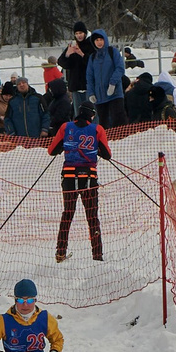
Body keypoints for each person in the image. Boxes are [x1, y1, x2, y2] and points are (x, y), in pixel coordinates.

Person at [45, 99, 110, 262]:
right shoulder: (97, 129)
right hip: (89, 177)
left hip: (69, 176)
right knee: (92, 217)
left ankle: (60, 252)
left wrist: (64, 147)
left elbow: (51, 151)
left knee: (67, 213)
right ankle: (97, 255)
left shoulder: (66, 127)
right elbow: (107, 154)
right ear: (91, 115)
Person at [84, 32, 127, 126]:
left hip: (114, 93)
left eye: (101, 39)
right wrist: (91, 92)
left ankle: (121, 138)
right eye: (96, 40)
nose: (99, 42)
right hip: (100, 96)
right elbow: (90, 76)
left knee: (118, 118)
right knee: (103, 122)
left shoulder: (113, 52)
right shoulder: (92, 57)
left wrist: (112, 83)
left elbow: (120, 68)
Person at [61, 26, 89, 96]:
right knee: (77, 106)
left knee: (90, 106)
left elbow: (92, 63)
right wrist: (67, 54)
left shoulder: (90, 46)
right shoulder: (71, 47)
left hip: (89, 86)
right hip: (75, 86)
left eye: (80, 33)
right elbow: (62, 63)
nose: (79, 35)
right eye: (76, 33)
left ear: (85, 33)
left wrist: (81, 54)